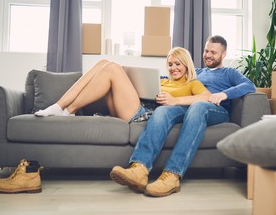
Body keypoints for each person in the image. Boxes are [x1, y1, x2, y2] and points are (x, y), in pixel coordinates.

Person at [110, 35, 256, 197]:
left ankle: (172, 175)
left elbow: (249, 85)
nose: (208, 55)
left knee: (198, 106)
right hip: (187, 107)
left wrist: (224, 94)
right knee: (163, 111)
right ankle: (139, 169)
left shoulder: (229, 72)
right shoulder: (196, 72)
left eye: (213, 52)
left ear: (223, 55)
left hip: (214, 109)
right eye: (206, 50)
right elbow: (175, 81)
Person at [35, 47, 211, 124]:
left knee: (112, 67)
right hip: (130, 107)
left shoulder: (192, 83)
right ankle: (61, 106)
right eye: (171, 64)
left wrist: (175, 100)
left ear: (187, 65)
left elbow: (207, 98)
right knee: (104, 62)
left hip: (142, 115)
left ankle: (67, 110)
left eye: (178, 64)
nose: (174, 68)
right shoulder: (163, 79)